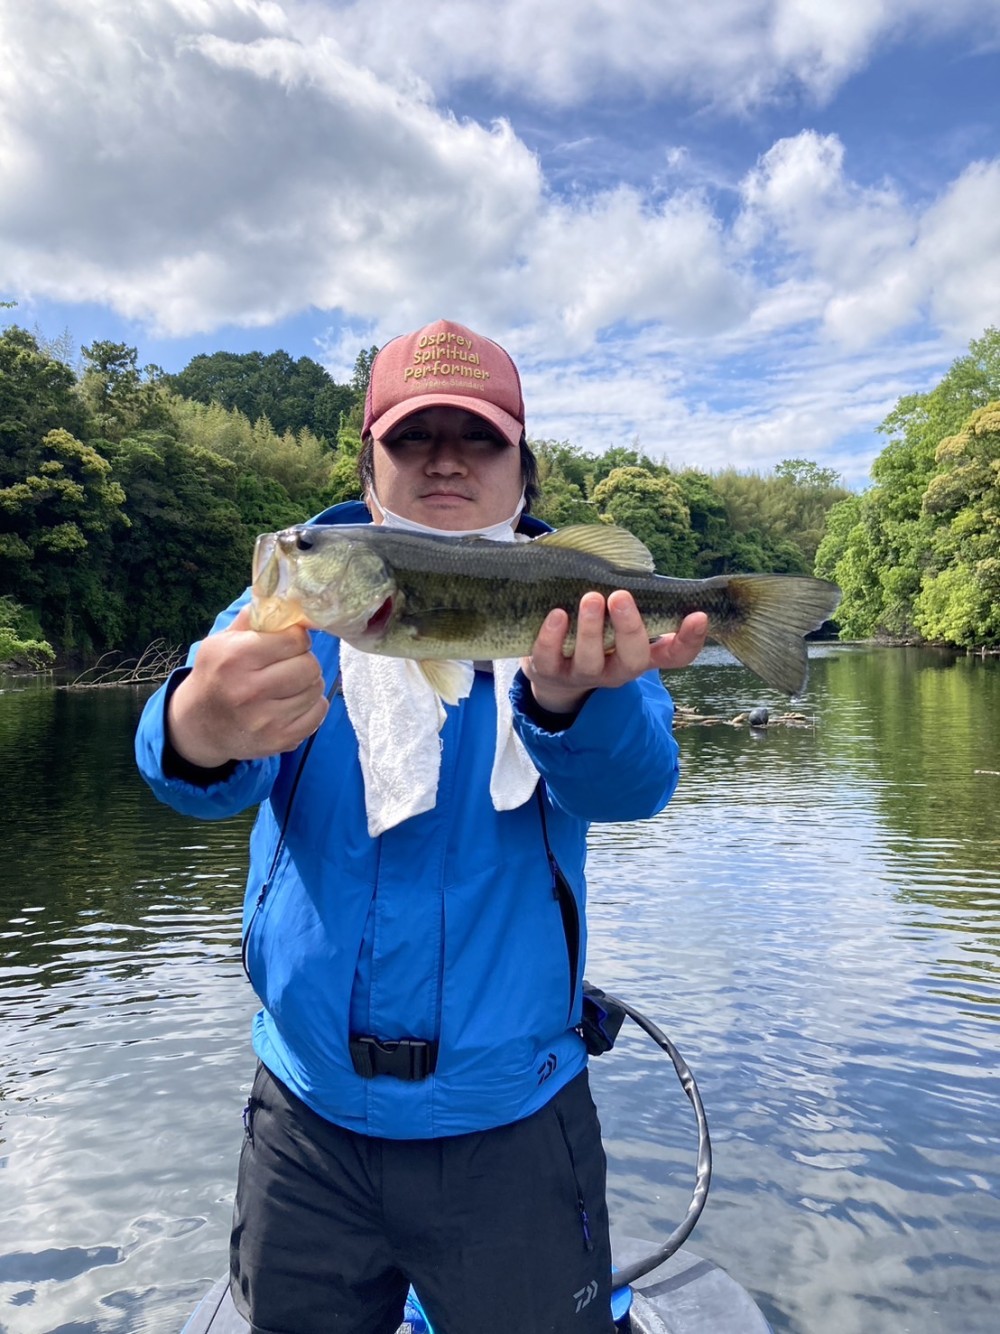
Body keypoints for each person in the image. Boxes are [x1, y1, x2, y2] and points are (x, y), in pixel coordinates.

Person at [135, 318, 708, 1334]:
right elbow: (201, 777)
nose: (445, 456)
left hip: (514, 1118)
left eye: (477, 436)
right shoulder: (298, 599)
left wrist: (580, 703)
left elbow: (633, 788)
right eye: (413, 436)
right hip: (306, 1119)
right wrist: (193, 725)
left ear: (521, 469)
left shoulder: (578, 605)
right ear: (368, 463)